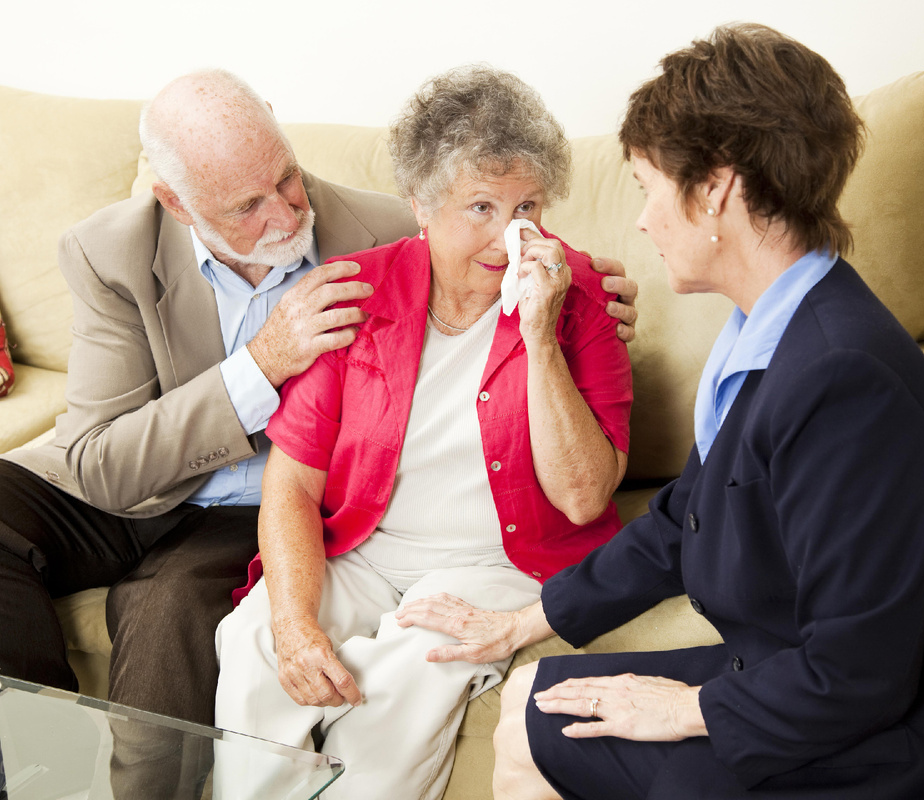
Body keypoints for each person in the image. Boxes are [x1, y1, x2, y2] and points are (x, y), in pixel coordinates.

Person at [396, 24, 924, 799]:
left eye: (649, 187)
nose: (643, 220)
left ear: (715, 189)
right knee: (528, 699)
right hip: (806, 671)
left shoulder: (846, 382)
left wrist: (686, 709)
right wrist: (522, 623)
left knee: (572, 744)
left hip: (915, 720)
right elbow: (685, 518)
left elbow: (860, 671)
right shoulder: (768, 332)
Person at [0, 67, 641, 727]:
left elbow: (495, 245)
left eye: (286, 179)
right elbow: (101, 465)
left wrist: (588, 303)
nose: (285, 217)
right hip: (144, 480)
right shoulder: (109, 251)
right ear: (176, 202)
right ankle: (35, 757)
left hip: (263, 505)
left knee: (166, 612)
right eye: (247, 206)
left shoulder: (383, 228)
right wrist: (262, 363)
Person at [212, 65, 632, 800]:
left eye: (527, 206)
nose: (511, 235)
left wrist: (539, 334)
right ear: (421, 205)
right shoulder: (354, 292)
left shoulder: (577, 295)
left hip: (501, 561)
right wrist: (293, 620)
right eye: (481, 207)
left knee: (412, 669)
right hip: (367, 552)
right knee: (252, 640)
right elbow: (293, 481)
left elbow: (582, 497)